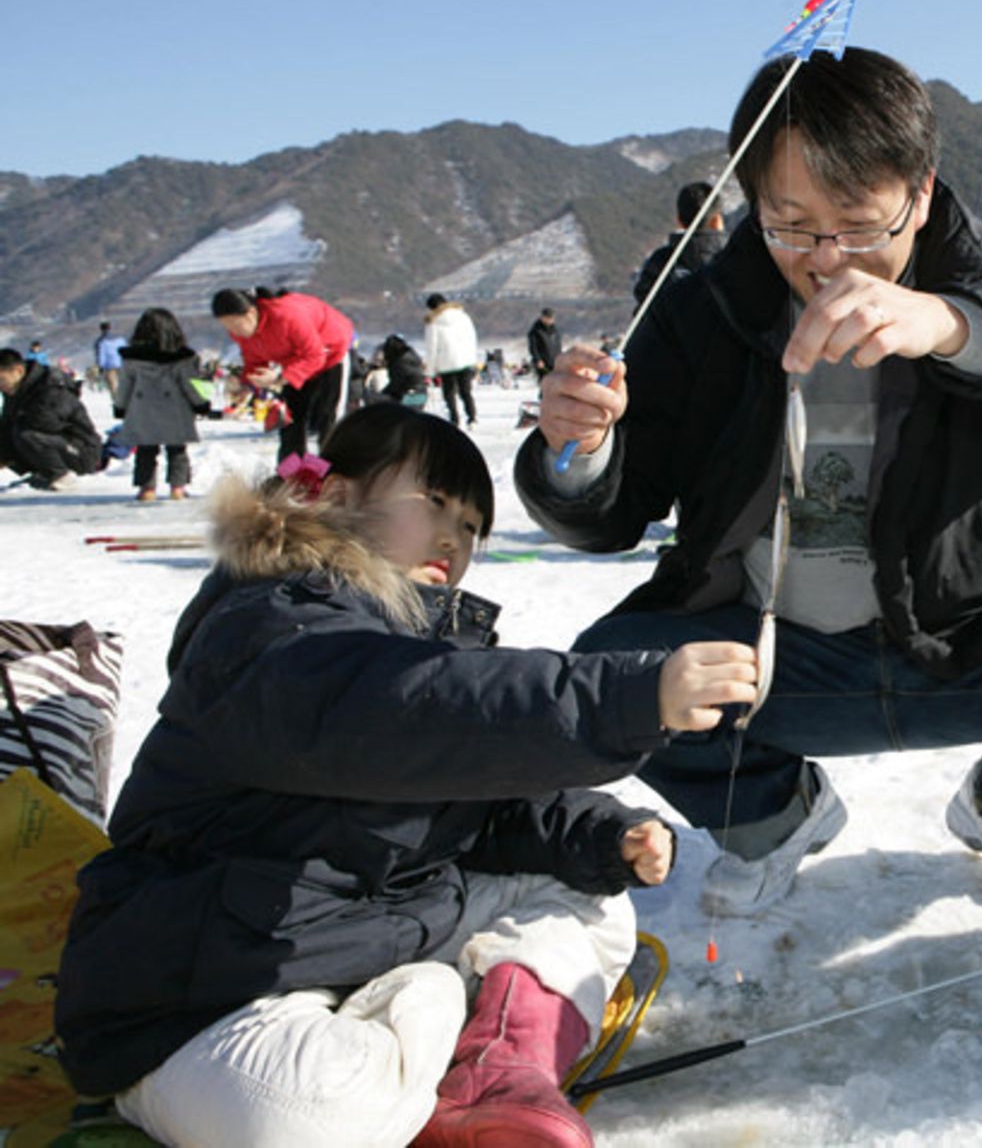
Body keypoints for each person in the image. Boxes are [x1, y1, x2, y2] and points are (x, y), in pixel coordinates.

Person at [516, 46, 982, 918]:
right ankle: (770, 817)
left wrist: (952, 323)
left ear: (920, 192)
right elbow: (616, 509)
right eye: (789, 222)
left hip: (965, 643)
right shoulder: (707, 310)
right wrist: (580, 451)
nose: (824, 256)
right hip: (775, 659)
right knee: (605, 678)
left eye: (858, 222)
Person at [57, 405, 744, 1148]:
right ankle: (438, 1016)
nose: (456, 537)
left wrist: (602, 832)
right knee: (303, 1116)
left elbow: (479, 798)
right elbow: (403, 714)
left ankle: (500, 1067)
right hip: (211, 988)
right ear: (334, 496)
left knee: (592, 896)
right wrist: (620, 701)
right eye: (437, 504)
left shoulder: (423, 650)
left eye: (474, 526)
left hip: (371, 935)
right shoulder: (270, 625)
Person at [212, 286, 355, 460]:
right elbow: (254, 361)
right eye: (227, 326)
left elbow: (315, 355)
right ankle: (289, 476)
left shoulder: (287, 316)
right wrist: (247, 387)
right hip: (294, 364)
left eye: (235, 324)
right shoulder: (242, 334)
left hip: (330, 354)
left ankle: (330, 474)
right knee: (290, 421)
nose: (234, 332)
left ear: (250, 313)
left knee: (328, 419)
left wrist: (280, 379)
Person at [113, 308, 210, 501]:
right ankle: (178, 488)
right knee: (177, 450)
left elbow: (124, 386)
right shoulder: (183, 357)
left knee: (146, 450)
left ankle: (147, 489)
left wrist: (120, 407)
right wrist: (202, 404)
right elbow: (192, 384)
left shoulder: (131, 358)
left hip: (143, 410)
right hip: (175, 410)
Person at [0, 346, 101, 489]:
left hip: (81, 451)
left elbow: (46, 424)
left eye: (1, 379)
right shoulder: (16, 390)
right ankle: (44, 473)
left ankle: (61, 475)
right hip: (54, 444)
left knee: (26, 435)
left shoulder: (51, 386)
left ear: (19, 371)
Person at [634, 180, 728, 301]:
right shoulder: (735, 258)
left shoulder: (661, 262)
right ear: (717, 221)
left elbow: (644, 305)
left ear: (679, 221)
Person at [424, 293, 480, 428]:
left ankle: (454, 420)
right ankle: (472, 418)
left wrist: (429, 371)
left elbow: (432, 348)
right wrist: (473, 359)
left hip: (445, 362)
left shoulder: (433, 322)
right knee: (466, 391)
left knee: (449, 393)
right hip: (466, 359)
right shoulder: (463, 316)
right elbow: (472, 338)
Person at [376, 333, 430, 405]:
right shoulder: (410, 357)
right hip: (419, 395)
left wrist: (380, 395)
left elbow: (395, 385)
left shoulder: (401, 363)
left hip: (412, 397)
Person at [94, 321, 128, 397]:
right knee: (125, 386)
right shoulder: (121, 339)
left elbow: (101, 356)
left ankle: (118, 404)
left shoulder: (101, 342)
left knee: (114, 389)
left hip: (109, 368)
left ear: (101, 329)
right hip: (122, 365)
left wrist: (100, 367)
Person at [528, 308, 562, 380]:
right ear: (543, 317)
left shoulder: (555, 331)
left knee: (555, 385)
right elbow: (533, 348)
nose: (550, 319)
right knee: (545, 384)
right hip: (543, 364)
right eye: (548, 317)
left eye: (552, 318)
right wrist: (538, 360)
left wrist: (560, 358)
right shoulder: (535, 331)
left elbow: (558, 346)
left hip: (555, 362)